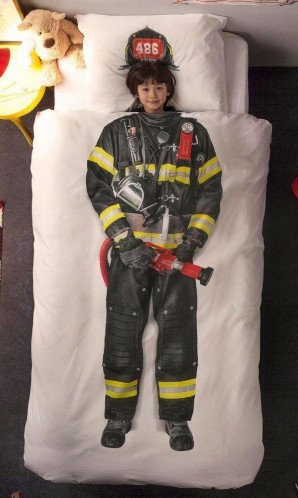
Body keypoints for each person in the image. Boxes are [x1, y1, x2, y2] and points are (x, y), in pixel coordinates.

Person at [86, 60, 223, 451]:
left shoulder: (194, 133)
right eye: (144, 87)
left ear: (168, 90)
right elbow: (97, 186)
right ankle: (118, 416)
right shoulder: (116, 132)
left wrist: (191, 242)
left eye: (159, 87)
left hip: (176, 254)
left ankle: (178, 421)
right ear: (135, 91)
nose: (152, 93)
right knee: (122, 330)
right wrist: (123, 239)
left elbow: (211, 189)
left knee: (178, 332)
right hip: (130, 252)